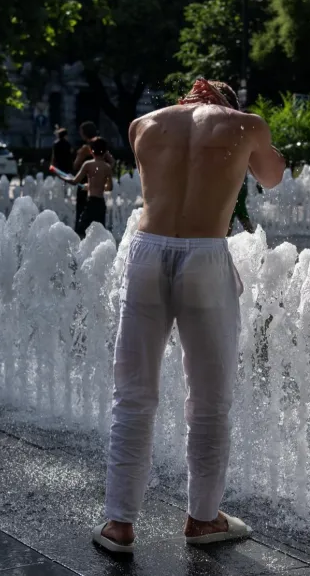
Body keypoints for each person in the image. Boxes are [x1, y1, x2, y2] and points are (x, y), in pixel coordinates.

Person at [93, 78, 285, 554]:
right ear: (226, 102)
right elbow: (272, 176)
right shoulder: (245, 125)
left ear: (188, 97)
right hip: (205, 253)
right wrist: (257, 137)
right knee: (209, 398)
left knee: (133, 395)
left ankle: (119, 524)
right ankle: (203, 519)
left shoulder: (144, 124)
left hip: (146, 251)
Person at [66, 137, 114, 237]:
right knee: (100, 234)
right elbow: (109, 187)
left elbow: (75, 181)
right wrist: (96, 186)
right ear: (105, 152)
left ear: (91, 151)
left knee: (81, 232)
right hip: (101, 204)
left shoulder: (87, 164)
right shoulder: (107, 167)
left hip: (90, 203)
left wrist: (64, 178)